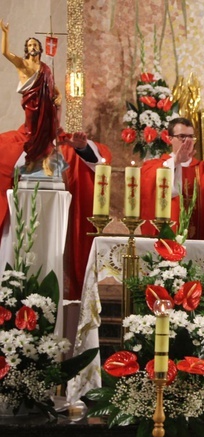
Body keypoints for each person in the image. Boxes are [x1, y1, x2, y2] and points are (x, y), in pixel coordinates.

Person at [140, 117, 204, 240]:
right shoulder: (154, 166)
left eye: (191, 137)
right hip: (167, 241)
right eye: (182, 136)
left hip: (201, 241)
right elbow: (161, 192)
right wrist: (176, 162)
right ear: (169, 139)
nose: (187, 141)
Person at [57, 132, 112, 300]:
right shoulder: (22, 141)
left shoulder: (67, 146)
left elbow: (98, 160)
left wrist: (82, 148)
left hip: (71, 216)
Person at [1, 20, 60, 172]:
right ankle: (32, 160)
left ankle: (47, 161)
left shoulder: (45, 68)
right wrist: (5, 34)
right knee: (31, 133)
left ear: (40, 48)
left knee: (47, 133)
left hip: (46, 105)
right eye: (30, 45)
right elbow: (5, 53)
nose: (32, 47)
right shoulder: (22, 64)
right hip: (31, 105)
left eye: (35, 45)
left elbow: (52, 86)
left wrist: (58, 96)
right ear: (26, 49)